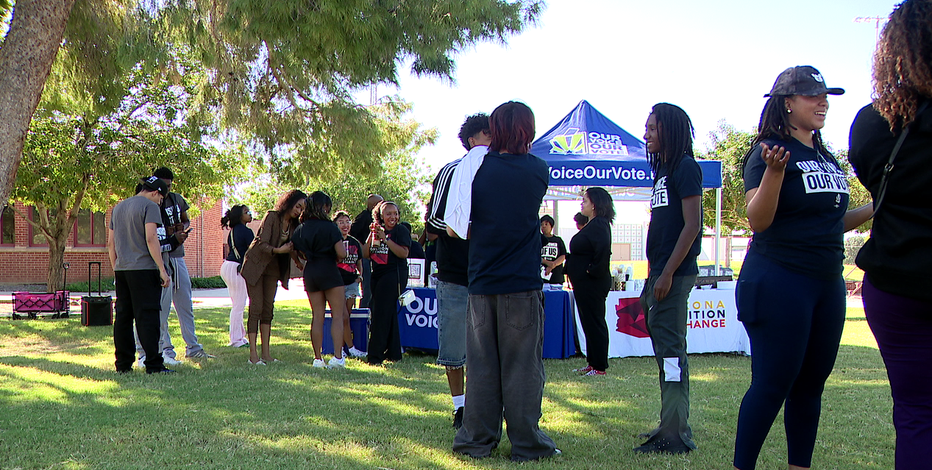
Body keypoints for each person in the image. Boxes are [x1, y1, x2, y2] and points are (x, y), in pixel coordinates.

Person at [734, 67, 872, 470]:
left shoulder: (825, 156)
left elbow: (832, 220)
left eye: (825, 95)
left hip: (827, 283)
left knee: (811, 387)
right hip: (779, 279)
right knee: (772, 385)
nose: (823, 102)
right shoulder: (768, 151)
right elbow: (758, 219)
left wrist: (878, 207)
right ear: (787, 103)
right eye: (813, 96)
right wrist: (775, 173)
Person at [848, 2, 932, 467]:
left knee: (917, 413)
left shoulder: (875, 122)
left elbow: (873, 175)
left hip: (898, 286)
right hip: (901, 288)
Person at [452, 101, 559, 462]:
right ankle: (527, 443)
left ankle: (475, 440)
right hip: (522, 281)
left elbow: (457, 225)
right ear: (527, 130)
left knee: (481, 367)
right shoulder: (538, 170)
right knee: (522, 367)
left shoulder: (476, 169)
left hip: (482, 279)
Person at [636, 103, 703, 455]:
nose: (646, 133)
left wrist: (666, 274)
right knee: (666, 354)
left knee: (673, 354)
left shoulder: (685, 168)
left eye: (652, 128)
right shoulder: (663, 171)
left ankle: (675, 434)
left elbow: (692, 226)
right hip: (659, 274)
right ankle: (669, 422)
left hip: (672, 277)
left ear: (670, 130)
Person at [425, 112, 490, 430]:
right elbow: (433, 222)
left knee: (488, 349)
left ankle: (482, 405)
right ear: (476, 137)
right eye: (492, 135)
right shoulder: (452, 171)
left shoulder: (499, 170)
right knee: (453, 347)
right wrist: (463, 227)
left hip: (490, 274)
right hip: (454, 273)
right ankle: (460, 408)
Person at [109, 176, 173, 374]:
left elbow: (110, 243)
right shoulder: (149, 206)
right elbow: (151, 237)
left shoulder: (118, 208)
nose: (160, 202)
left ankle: (123, 365)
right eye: (161, 199)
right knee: (148, 317)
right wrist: (162, 269)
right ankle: (154, 364)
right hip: (144, 269)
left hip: (122, 269)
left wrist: (116, 268)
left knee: (123, 318)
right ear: (156, 193)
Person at [152, 167, 214, 362]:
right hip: (159, 257)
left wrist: (181, 230)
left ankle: (193, 346)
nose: (166, 190)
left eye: (169, 186)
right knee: (162, 307)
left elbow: (185, 221)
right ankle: (166, 350)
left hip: (177, 256)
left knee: (185, 303)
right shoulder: (150, 202)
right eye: (163, 186)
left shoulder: (176, 200)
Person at [240, 190, 307, 365]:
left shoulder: (293, 225)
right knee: (256, 307)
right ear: (289, 202)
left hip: (273, 269)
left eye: (302, 209)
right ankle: (253, 356)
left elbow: (290, 247)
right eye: (298, 206)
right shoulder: (271, 216)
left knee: (268, 309)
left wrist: (297, 261)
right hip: (255, 266)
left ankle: (266, 354)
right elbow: (261, 242)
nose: (299, 211)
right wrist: (279, 250)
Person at [292, 191, 347, 369]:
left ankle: (317, 358)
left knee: (317, 316)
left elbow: (294, 249)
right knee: (337, 315)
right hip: (329, 269)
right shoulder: (330, 227)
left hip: (311, 270)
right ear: (324, 207)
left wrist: (301, 263)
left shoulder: (301, 228)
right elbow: (341, 253)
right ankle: (338, 357)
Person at [565, 187, 613, 377]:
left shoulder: (600, 224)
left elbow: (603, 252)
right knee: (587, 321)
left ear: (594, 205)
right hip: (583, 284)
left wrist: (590, 271)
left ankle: (600, 365)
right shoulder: (592, 225)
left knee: (595, 321)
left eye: (585, 201)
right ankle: (592, 362)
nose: (581, 204)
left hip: (592, 283)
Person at [364, 200, 411, 365]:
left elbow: (403, 253)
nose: (393, 216)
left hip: (394, 275)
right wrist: (373, 234)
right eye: (388, 213)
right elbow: (365, 253)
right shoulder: (377, 231)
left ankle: (375, 356)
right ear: (381, 216)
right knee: (388, 312)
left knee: (381, 314)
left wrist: (386, 239)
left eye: (395, 213)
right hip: (377, 274)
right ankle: (394, 353)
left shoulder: (401, 231)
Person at [333, 210, 367, 359]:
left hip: (352, 283)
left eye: (347, 221)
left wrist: (360, 275)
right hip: (337, 283)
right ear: (335, 224)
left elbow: (360, 262)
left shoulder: (354, 242)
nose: (345, 225)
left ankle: (344, 348)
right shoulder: (333, 240)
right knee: (343, 316)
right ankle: (348, 348)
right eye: (341, 222)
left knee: (347, 315)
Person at [220, 205, 254, 348]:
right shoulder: (246, 231)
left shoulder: (233, 232)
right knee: (239, 305)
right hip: (237, 268)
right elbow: (252, 251)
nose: (250, 214)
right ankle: (235, 340)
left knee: (237, 303)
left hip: (228, 266)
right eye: (247, 213)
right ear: (241, 217)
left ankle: (240, 336)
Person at [350, 194, 383, 308]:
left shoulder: (381, 219)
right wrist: (362, 247)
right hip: (365, 257)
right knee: (367, 290)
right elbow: (351, 233)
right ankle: (363, 312)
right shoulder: (364, 217)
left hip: (378, 257)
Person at [539, 215, 566, 286]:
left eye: (546, 224)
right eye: (541, 224)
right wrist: (547, 262)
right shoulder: (537, 240)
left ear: (551, 226)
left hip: (556, 277)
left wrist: (553, 265)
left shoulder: (558, 240)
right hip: (540, 276)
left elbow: (563, 255)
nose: (543, 226)